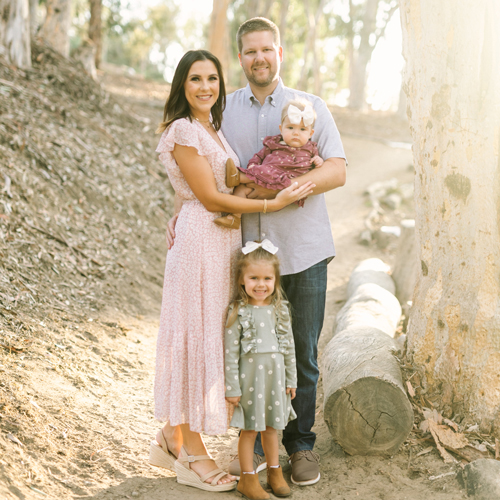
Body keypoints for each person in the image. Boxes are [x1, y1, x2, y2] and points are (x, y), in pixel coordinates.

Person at [149, 48, 315, 493]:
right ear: (182, 86)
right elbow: (210, 198)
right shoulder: (184, 129)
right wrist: (270, 203)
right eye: (195, 79)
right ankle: (192, 452)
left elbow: (212, 185)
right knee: (196, 336)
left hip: (221, 244)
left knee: (215, 335)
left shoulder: (212, 129)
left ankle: (173, 433)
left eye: (212, 78)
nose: (205, 86)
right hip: (200, 245)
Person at [220, 18, 347, 486]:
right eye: (250, 51)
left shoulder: (310, 107)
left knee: (302, 353)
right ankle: (253, 445)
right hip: (251, 256)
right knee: (255, 351)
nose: (259, 58)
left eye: (267, 50)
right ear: (241, 58)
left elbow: (337, 169)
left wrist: (292, 189)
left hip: (305, 249)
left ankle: (300, 446)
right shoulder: (225, 109)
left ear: (279, 53)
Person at [224, 240, 297, 500]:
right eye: (253, 277)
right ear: (242, 280)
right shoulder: (238, 312)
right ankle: (248, 479)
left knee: (271, 428)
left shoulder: (280, 310)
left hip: (275, 380)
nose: (260, 284)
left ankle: (275, 472)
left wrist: (291, 380)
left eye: (267, 278)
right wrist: (232, 387)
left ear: (276, 280)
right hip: (249, 381)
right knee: (250, 429)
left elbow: (288, 348)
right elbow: (230, 354)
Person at [214, 98, 324, 229]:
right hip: (264, 177)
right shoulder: (274, 142)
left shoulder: (311, 148)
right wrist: (253, 164)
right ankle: (234, 217)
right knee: (242, 190)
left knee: (263, 172)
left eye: (302, 129)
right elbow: (259, 155)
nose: (296, 133)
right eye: (290, 127)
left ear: (311, 133)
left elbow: (318, 164)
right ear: (281, 129)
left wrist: (318, 160)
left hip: (287, 181)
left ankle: (237, 177)